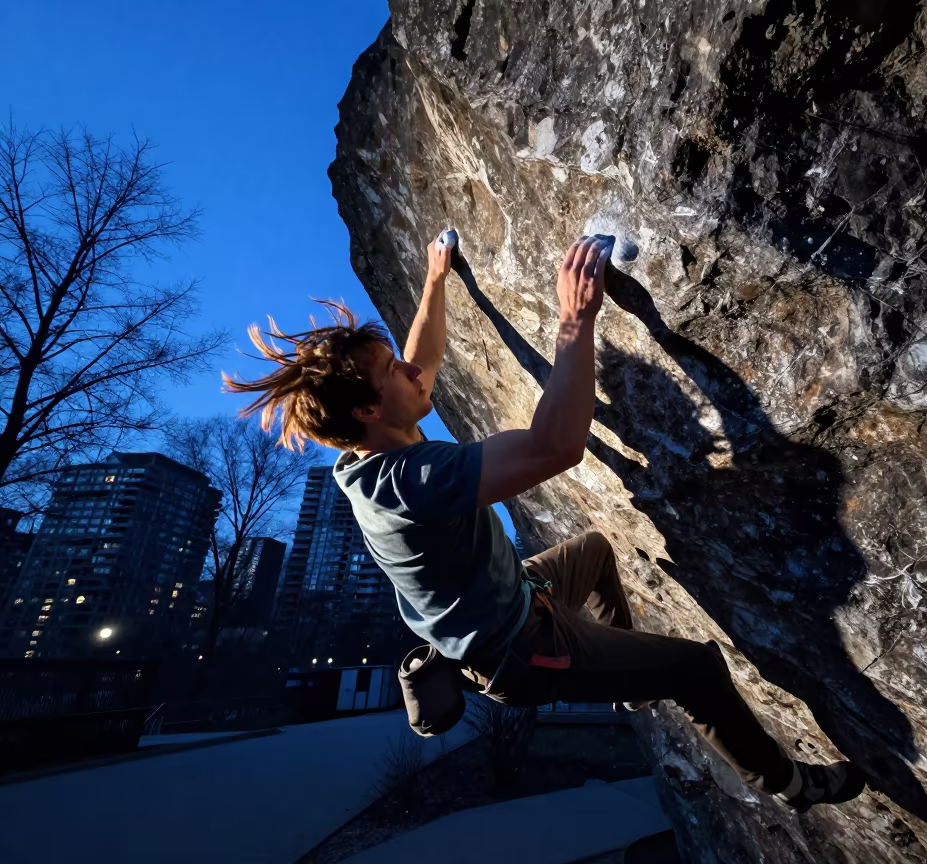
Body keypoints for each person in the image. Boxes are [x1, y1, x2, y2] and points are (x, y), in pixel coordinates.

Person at [225, 234, 866, 811]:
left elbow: (421, 360)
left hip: (516, 598)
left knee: (592, 550)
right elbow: (554, 446)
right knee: (697, 669)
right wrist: (574, 321)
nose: (411, 369)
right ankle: (790, 786)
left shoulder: (367, 446)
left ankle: (632, 684)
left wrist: (434, 279)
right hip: (525, 652)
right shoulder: (411, 479)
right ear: (369, 407)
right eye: (392, 370)